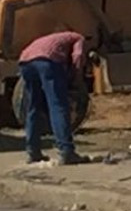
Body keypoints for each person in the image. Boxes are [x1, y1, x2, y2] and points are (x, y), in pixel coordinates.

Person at [17, 30, 91, 166]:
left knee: (34, 107)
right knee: (58, 106)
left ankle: (33, 151)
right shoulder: (78, 37)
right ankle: (66, 151)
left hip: (25, 62)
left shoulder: (53, 38)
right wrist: (76, 76)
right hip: (47, 62)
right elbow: (78, 56)